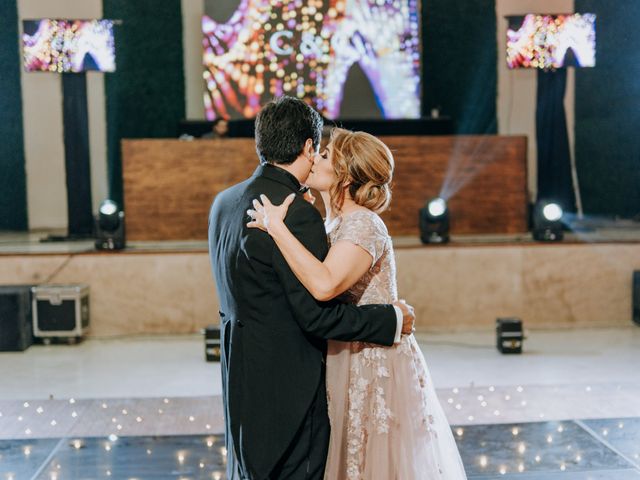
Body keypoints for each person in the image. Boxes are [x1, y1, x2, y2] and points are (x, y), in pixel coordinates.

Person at [208, 97, 416, 480]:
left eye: (328, 156)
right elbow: (316, 308)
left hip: (243, 374)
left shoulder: (225, 202)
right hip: (292, 384)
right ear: (306, 147)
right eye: (318, 151)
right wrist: (391, 319)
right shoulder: (296, 213)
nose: (319, 159)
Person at [247, 128, 468, 479]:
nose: (315, 158)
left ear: (346, 175)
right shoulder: (331, 222)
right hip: (343, 354)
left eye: (325, 155)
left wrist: (277, 228)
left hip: (372, 360)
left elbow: (324, 285)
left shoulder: (364, 224)